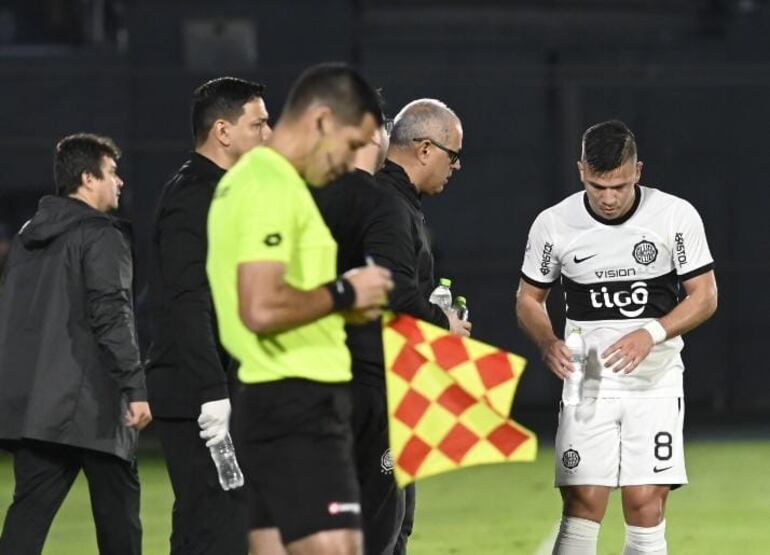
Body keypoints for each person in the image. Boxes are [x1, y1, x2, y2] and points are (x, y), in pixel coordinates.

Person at [206, 62, 394, 555]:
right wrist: (347, 293)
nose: (352, 160)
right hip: (298, 402)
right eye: (354, 143)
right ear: (324, 120)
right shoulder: (269, 184)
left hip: (276, 399)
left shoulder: (263, 182)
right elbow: (261, 306)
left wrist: (338, 307)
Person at [515, 120, 718, 555]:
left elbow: (705, 297)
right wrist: (548, 341)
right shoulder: (554, 224)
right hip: (588, 379)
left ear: (638, 171)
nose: (608, 198)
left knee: (644, 503)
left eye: (619, 186)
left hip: (656, 380)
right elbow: (529, 300)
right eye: (596, 186)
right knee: (583, 500)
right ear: (580, 172)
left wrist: (651, 332)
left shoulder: (674, 216)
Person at [0, 133, 152, 555]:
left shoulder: (29, 239)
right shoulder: (102, 235)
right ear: (88, 178)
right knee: (120, 523)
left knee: (26, 519)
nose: (119, 182)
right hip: (95, 405)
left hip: (37, 405)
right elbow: (112, 314)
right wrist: (134, 387)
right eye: (111, 173)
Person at [146, 76, 270, 555]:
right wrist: (213, 394)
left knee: (209, 527)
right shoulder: (193, 196)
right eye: (258, 123)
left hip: (225, 384)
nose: (268, 133)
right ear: (222, 131)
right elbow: (188, 299)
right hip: (202, 396)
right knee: (221, 530)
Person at [373, 99, 472, 554]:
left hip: (394, 390)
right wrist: (443, 323)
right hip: (377, 393)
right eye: (453, 156)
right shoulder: (388, 206)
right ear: (426, 149)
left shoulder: (399, 203)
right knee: (382, 531)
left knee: (397, 527)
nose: (456, 167)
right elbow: (392, 294)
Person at [312, 119, 411, 554]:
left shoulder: (301, 197)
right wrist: (443, 321)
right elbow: (397, 290)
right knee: (378, 522)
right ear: (373, 135)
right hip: (370, 381)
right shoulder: (380, 202)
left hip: (306, 381)